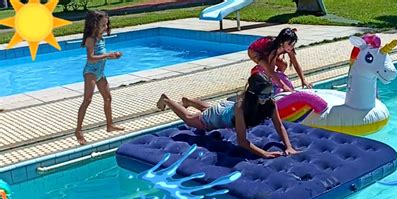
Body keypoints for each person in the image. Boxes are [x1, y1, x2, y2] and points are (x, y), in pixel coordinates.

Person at [156, 72, 298, 159]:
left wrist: (288, 146)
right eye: (264, 94)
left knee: (212, 108)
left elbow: (279, 125)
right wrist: (263, 153)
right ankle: (167, 100)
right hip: (216, 117)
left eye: (270, 93)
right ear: (253, 94)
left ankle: (189, 101)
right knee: (190, 120)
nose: (268, 97)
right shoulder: (241, 108)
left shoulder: (269, 102)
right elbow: (241, 141)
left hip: (225, 109)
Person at [75, 10, 124, 145]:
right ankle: (78, 130)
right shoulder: (91, 39)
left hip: (100, 73)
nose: (106, 28)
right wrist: (108, 55)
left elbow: (102, 55)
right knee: (87, 100)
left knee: (108, 98)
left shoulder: (101, 38)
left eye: (106, 25)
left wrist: (113, 55)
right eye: (103, 25)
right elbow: (90, 58)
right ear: (94, 25)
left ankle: (109, 125)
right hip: (90, 72)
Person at [247, 27, 312, 92]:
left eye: (293, 44)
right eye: (289, 44)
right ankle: (258, 75)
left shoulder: (289, 48)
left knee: (283, 65)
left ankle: (275, 81)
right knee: (267, 67)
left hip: (267, 52)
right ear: (281, 43)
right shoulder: (274, 50)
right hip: (255, 52)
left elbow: (296, 64)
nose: (291, 47)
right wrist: (284, 87)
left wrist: (303, 80)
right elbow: (271, 71)